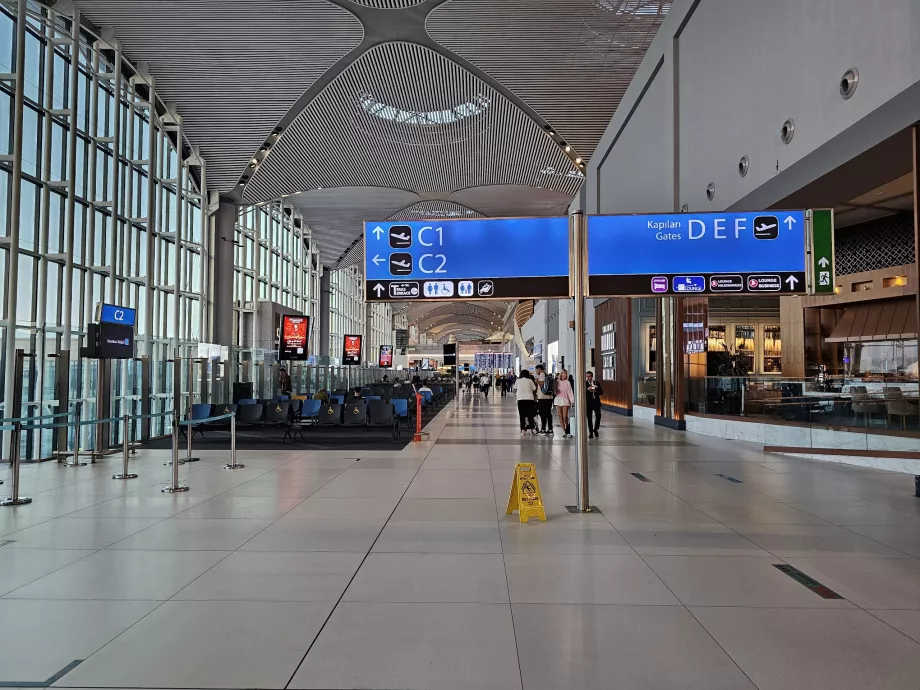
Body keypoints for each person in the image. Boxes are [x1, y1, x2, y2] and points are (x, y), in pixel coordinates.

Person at [513, 369, 538, 435]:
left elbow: (515, 389)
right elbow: (535, 389)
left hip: (520, 399)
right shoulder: (530, 380)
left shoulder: (518, 380)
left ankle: (523, 430)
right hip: (530, 399)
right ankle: (532, 429)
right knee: (530, 415)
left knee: (522, 415)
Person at [554, 369, 575, 437]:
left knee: (565, 416)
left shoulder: (567, 382)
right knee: (560, 416)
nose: (565, 374)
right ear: (561, 374)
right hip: (558, 399)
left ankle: (567, 429)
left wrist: (572, 401)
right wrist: (555, 390)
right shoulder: (557, 381)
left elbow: (570, 392)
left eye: (566, 373)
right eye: (563, 373)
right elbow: (554, 390)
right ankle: (565, 431)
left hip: (565, 400)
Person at [534, 364, 554, 435]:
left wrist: (537, 381)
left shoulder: (542, 374)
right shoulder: (546, 375)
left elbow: (542, 383)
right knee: (548, 413)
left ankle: (543, 429)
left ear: (539, 369)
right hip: (549, 397)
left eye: (536, 370)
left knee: (542, 413)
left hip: (543, 397)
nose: (536, 371)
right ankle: (550, 429)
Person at [585, 371, 604, 438]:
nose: (588, 378)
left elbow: (601, 392)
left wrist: (595, 390)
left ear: (592, 376)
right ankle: (590, 432)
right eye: (587, 376)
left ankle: (595, 429)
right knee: (589, 418)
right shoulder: (585, 383)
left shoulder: (596, 383)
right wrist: (588, 389)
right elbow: (582, 392)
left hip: (596, 402)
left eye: (589, 376)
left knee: (598, 415)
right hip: (588, 403)